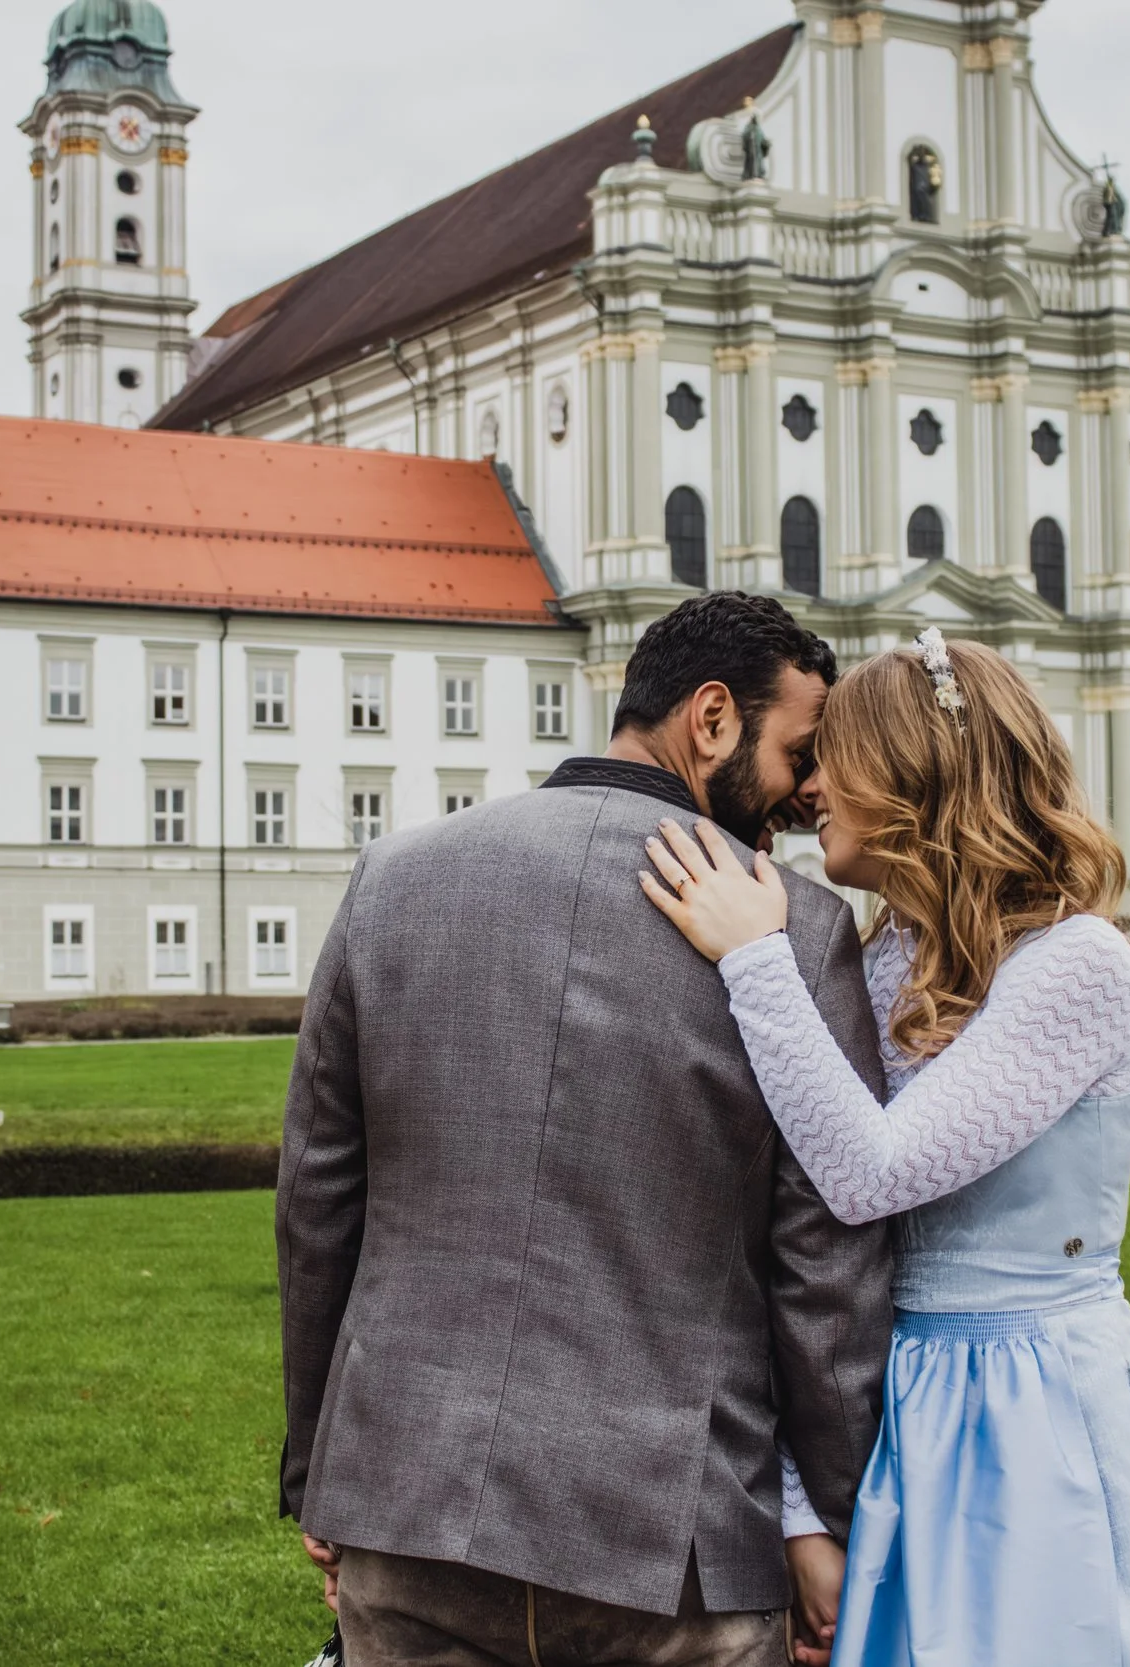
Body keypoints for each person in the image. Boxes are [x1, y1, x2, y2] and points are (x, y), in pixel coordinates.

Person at [277, 592, 897, 1667]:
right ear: (712, 719)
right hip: (678, 1546)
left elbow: (317, 1207)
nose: (807, 793)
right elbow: (825, 1275)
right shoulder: (798, 931)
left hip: (407, 1507)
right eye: (799, 754)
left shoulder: (394, 878)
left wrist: (321, 1470)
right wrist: (835, 1520)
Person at [640, 629, 1130, 1667]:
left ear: (913, 773)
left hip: (1035, 1410)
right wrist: (801, 1509)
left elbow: (869, 1172)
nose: (811, 787)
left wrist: (755, 958)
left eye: (835, 760)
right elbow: (800, 1241)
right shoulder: (885, 959)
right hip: (896, 1401)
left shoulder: (1076, 963)